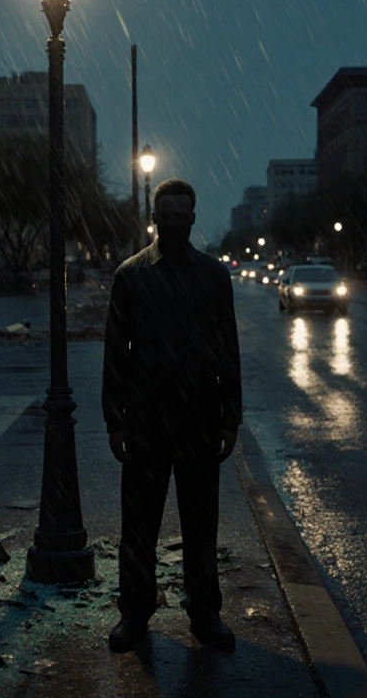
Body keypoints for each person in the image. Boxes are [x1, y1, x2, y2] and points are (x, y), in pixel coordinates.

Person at [102, 178, 242, 653]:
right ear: (155, 218)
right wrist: (115, 421)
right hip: (144, 425)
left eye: (183, 216)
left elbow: (228, 353)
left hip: (200, 422)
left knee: (201, 527)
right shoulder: (131, 276)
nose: (175, 223)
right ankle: (134, 616)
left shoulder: (214, 277)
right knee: (138, 528)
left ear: (193, 219)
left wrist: (230, 419)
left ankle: (205, 614)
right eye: (168, 216)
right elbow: (115, 356)